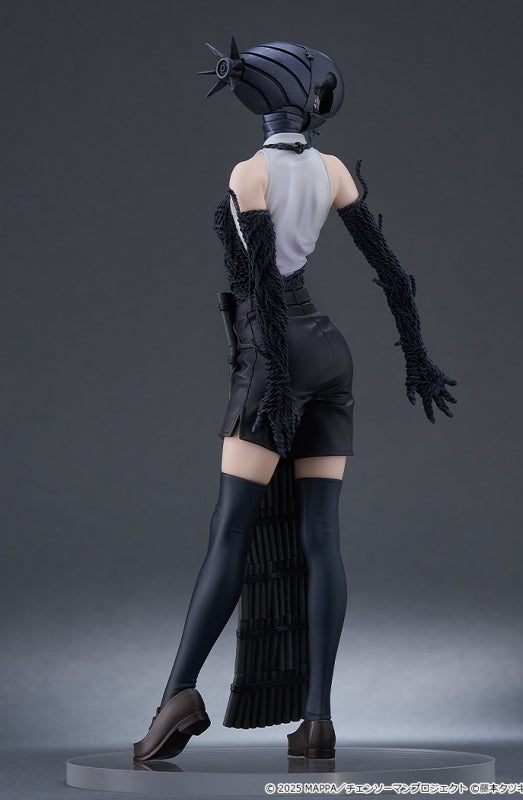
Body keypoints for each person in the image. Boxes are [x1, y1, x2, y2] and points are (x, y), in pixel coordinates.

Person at [133, 38, 457, 763]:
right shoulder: (332, 170)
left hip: (271, 353)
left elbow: (263, 286)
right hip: (331, 354)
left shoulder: (249, 173)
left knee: (229, 529)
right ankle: (316, 722)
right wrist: (417, 358)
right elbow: (391, 271)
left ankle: (178, 694)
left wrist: (275, 384)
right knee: (320, 539)